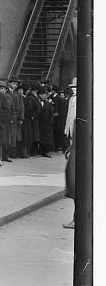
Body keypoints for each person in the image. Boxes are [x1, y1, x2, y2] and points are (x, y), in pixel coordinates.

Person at [63, 77, 77, 229]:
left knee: (74, 182)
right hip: (74, 140)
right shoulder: (72, 100)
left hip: (79, 146)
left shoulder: (83, 101)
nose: (73, 89)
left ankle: (77, 219)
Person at [22, 82, 42, 157]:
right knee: (27, 136)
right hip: (27, 119)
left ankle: (26, 152)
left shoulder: (30, 98)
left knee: (27, 136)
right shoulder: (29, 97)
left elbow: (37, 109)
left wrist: (33, 116)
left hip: (28, 120)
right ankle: (26, 152)